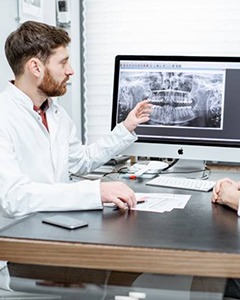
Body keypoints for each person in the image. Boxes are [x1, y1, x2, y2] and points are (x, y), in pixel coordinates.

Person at [0, 20, 152, 217]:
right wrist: (95, 191)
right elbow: (13, 197)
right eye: (63, 62)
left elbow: (82, 161)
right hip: (17, 237)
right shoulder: (4, 115)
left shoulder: (54, 113)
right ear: (36, 68)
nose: (70, 70)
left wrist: (125, 127)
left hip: (56, 223)